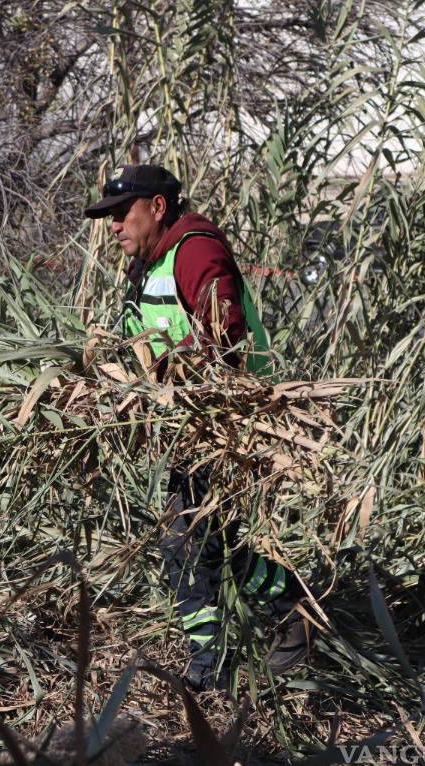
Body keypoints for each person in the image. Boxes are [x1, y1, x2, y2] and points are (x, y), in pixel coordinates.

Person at [84, 163, 308, 691]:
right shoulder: (147, 263)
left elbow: (224, 336)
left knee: (187, 547)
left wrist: (161, 375)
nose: (114, 226)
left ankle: (216, 663)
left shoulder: (195, 250)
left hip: (228, 424)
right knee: (206, 546)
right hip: (187, 425)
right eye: (109, 218)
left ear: (157, 208)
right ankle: (278, 615)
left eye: (122, 214)